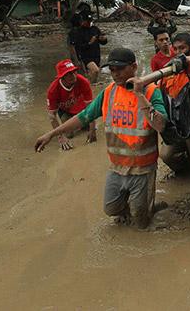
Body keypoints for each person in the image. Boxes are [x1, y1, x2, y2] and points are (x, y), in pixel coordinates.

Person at [34, 48, 168, 229]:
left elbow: (161, 125)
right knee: (111, 209)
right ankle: (142, 205)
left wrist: (139, 95)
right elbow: (84, 116)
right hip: (116, 167)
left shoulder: (151, 91)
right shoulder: (109, 93)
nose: (115, 74)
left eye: (119, 69)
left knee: (141, 223)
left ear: (134, 67)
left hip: (142, 169)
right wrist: (52, 134)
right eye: (112, 70)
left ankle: (147, 209)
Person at [158, 33, 190, 179]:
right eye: (176, 49)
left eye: (182, 48)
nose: (179, 52)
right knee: (166, 155)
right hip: (177, 124)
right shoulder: (170, 71)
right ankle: (183, 170)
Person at [46, 59, 96, 150]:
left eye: (74, 72)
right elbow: (52, 115)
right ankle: (74, 124)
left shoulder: (83, 81)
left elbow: (90, 107)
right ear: (62, 77)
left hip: (81, 109)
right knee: (68, 134)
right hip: (65, 110)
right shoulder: (53, 90)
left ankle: (80, 124)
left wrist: (92, 130)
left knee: (89, 128)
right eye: (68, 74)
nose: (73, 75)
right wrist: (61, 137)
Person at [67, 11, 107, 83]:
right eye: (87, 21)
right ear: (82, 21)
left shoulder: (95, 29)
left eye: (90, 21)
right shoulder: (78, 32)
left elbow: (103, 42)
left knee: (92, 74)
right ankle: (91, 87)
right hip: (85, 57)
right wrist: (89, 43)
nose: (89, 23)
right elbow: (78, 47)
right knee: (95, 71)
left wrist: (103, 39)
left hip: (96, 56)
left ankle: (90, 86)